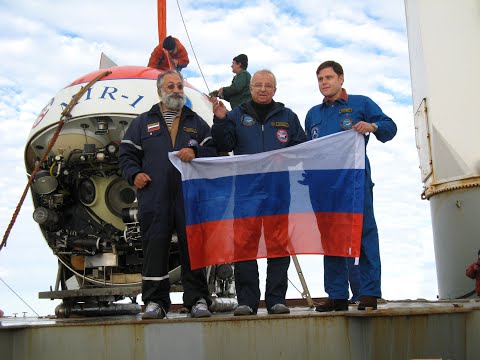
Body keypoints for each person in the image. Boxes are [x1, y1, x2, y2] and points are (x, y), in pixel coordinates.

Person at [119, 70, 216, 319]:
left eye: (179, 86)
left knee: (194, 247)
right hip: (154, 196)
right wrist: (134, 175)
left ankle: (197, 300)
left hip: (190, 196)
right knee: (155, 248)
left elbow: (212, 150)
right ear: (160, 90)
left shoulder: (196, 122)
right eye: (170, 86)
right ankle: (155, 302)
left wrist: (195, 150)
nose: (176, 90)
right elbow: (126, 154)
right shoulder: (142, 122)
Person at [211, 69, 307, 316]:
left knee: (278, 246)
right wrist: (220, 120)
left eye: (268, 85)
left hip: (278, 191)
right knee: (244, 246)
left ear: (275, 90)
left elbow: (301, 148)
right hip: (246, 191)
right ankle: (247, 301)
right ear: (251, 89)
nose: (263, 89)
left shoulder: (288, 116)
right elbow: (224, 144)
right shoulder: (236, 115)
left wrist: (284, 157)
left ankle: (276, 300)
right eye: (258, 85)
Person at [305, 60, 397, 312]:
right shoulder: (313, 114)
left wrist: (373, 126)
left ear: (341, 79)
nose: (324, 83)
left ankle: (369, 292)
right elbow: (309, 151)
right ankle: (336, 296)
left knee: (364, 232)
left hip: (355, 182)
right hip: (324, 187)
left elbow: (390, 127)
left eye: (329, 78)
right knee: (330, 239)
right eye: (320, 79)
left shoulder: (361, 103)